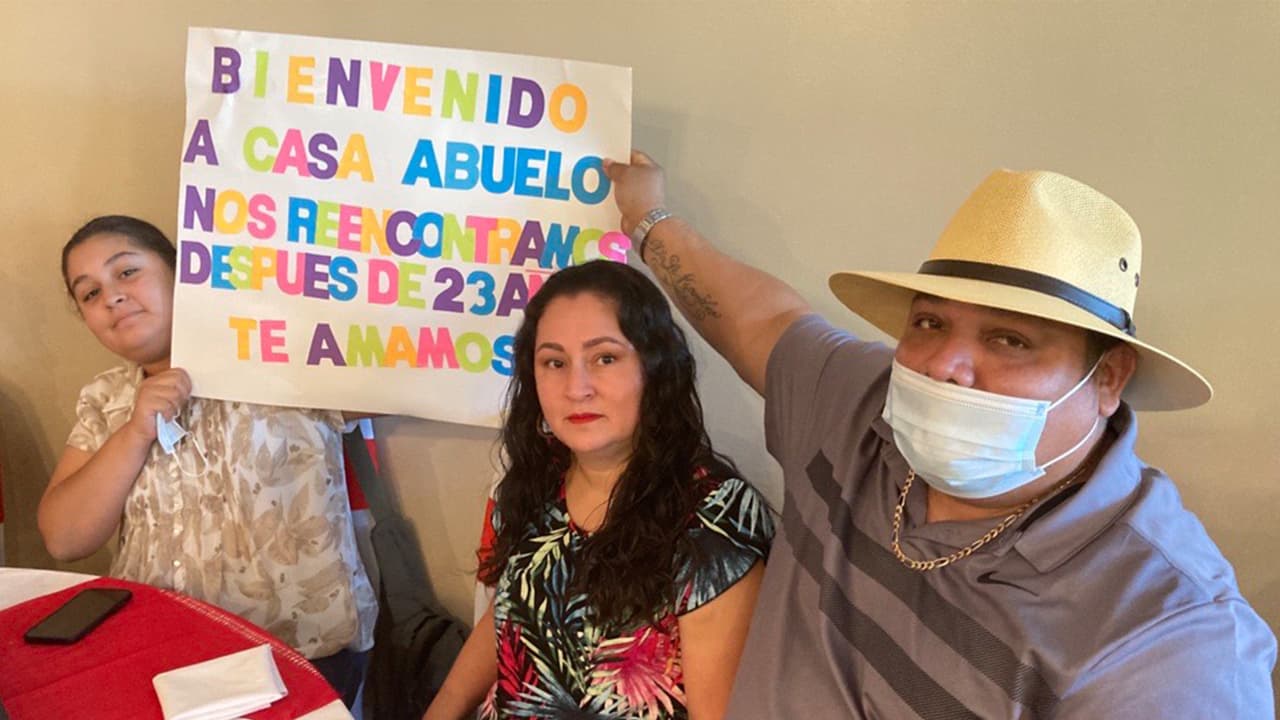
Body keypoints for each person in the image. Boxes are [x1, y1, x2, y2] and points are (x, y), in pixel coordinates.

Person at [603, 154, 1277, 717]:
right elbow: (757, 319)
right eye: (929, 324)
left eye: (1010, 339)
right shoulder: (858, 406)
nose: (945, 366)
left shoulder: (1169, 645)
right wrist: (647, 217)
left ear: (1108, 379)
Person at [39, 215, 377, 708]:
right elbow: (65, 539)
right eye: (90, 293)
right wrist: (134, 431)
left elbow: (418, 381)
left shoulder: (285, 358)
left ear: (185, 272)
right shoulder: (106, 398)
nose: (112, 297)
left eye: (127, 272)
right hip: (156, 658)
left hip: (299, 654)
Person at [424, 260, 773, 720]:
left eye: (605, 358)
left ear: (654, 367)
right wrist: (442, 708)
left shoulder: (714, 519)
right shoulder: (535, 478)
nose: (577, 388)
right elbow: (513, 610)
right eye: (555, 363)